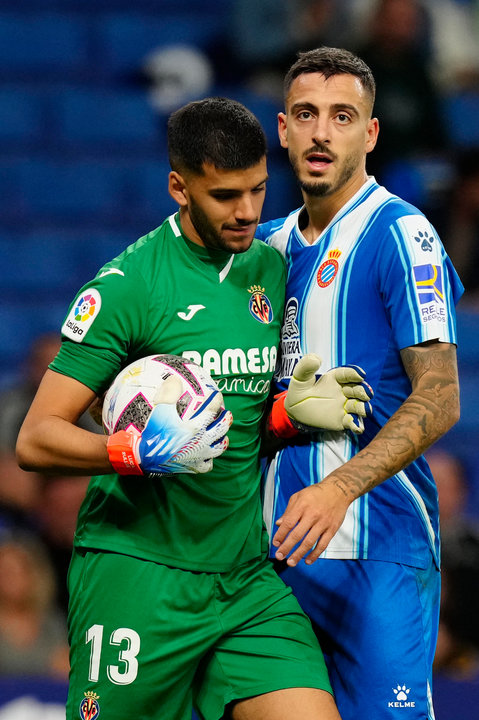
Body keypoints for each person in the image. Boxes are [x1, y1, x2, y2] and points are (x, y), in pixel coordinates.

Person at [15, 97, 372, 720]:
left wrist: (284, 420)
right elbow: (35, 439)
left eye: (260, 190)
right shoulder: (128, 287)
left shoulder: (269, 265)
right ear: (179, 186)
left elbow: (227, 424)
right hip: (139, 575)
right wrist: (126, 452)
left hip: (242, 577)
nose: (248, 212)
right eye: (226, 195)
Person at [257, 47, 462, 720]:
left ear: (368, 134)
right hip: (269, 560)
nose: (322, 133)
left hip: (376, 551)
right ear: (282, 128)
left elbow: (439, 396)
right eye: (307, 115)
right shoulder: (261, 251)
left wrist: (337, 488)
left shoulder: (401, 234)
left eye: (341, 117)